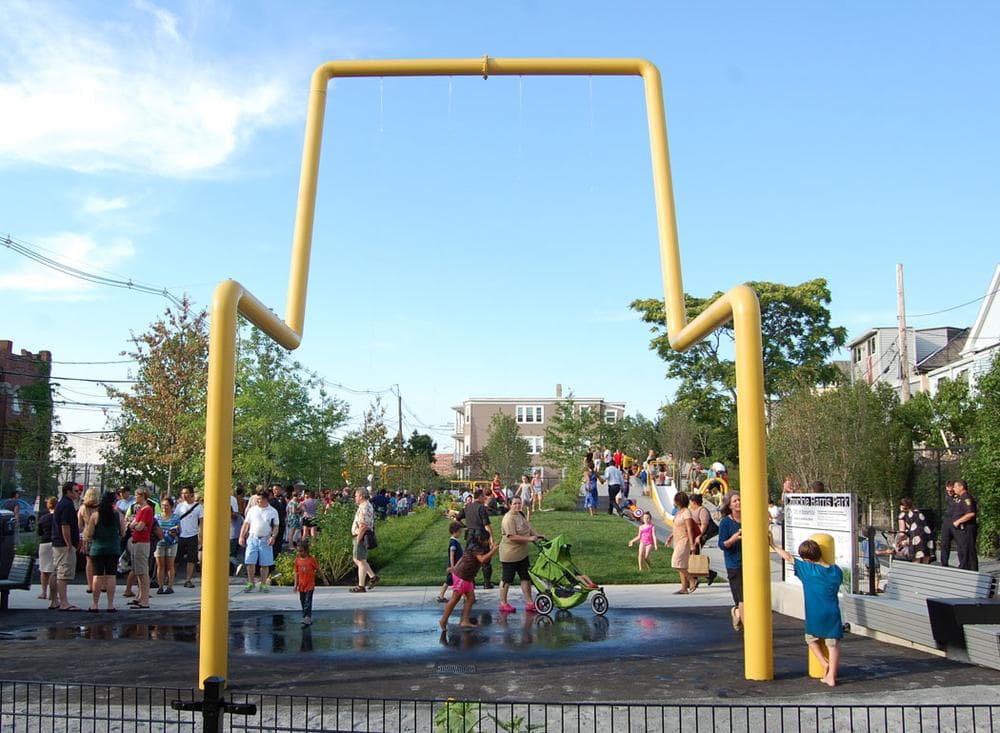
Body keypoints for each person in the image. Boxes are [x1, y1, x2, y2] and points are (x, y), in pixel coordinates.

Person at [772, 539, 843, 687]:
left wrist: (772, 544)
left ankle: (824, 663)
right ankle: (832, 675)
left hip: (814, 612)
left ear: (808, 559)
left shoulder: (808, 569)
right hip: (833, 611)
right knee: (833, 644)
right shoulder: (836, 571)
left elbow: (788, 557)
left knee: (810, 639)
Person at [440, 540, 499, 630]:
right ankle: (443, 620)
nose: (488, 542)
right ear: (482, 539)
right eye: (487, 540)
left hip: (467, 578)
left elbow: (464, 557)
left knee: (471, 599)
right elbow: (482, 559)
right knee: (455, 598)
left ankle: (465, 621)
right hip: (462, 576)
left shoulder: (474, 546)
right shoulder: (476, 548)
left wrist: (491, 549)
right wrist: (493, 551)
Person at [498, 497, 541, 614]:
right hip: (509, 554)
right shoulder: (508, 518)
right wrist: (529, 539)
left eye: (519, 503)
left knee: (526, 577)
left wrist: (538, 535)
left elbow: (529, 528)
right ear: (510, 505)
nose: (517, 505)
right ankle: (503, 603)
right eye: (515, 503)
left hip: (522, 553)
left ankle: (529, 602)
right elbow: (511, 536)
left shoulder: (520, 514)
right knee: (507, 579)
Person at [83, 491, 124, 613]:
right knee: (111, 576)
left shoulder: (95, 515)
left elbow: (89, 534)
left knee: (97, 576)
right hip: (113, 548)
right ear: (113, 502)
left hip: (98, 548)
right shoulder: (118, 515)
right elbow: (122, 532)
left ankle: (95, 604)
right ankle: (110, 605)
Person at [240, 491, 280, 592]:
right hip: (253, 538)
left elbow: (276, 526)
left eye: (260, 499)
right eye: (256, 499)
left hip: (265, 539)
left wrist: (273, 536)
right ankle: (251, 582)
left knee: (265, 563)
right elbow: (246, 524)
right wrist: (241, 536)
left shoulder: (272, 511)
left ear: (266, 499)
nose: (257, 501)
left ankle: (263, 583)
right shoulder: (252, 510)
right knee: (250, 562)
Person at [51, 482, 82, 611]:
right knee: (63, 574)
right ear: (68, 492)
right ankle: (64, 603)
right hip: (64, 544)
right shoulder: (67, 505)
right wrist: (69, 543)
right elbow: (65, 525)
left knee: (56, 572)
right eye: (76, 491)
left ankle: (54, 601)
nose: (78, 494)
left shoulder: (61, 503)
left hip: (57, 543)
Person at [718, 493, 744, 630]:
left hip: (750, 564)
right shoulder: (725, 522)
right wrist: (733, 539)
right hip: (734, 564)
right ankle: (750, 631)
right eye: (735, 501)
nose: (738, 503)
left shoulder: (749, 519)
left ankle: (737, 612)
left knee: (750, 598)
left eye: (740, 500)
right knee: (741, 598)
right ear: (729, 505)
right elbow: (722, 545)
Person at [127, 487, 155, 609]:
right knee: (138, 571)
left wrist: (134, 525)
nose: (135, 497)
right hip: (135, 541)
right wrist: (134, 525)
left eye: (136, 495)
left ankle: (145, 599)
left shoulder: (147, 510)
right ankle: (140, 596)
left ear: (143, 496)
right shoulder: (139, 510)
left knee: (143, 571)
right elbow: (133, 525)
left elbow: (139, 526)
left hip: (142, 542)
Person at [461, 489, 495, 589]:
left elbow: (457, 518)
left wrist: (464, 526)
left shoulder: (467, 507)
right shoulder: (481, 508)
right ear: (479, 496)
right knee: (485, 560)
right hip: (481, 536)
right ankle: (486, 583)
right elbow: (486, 524)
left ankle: (471, 582)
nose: (485, 498)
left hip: (470, 536)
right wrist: (492, 538)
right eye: (483, 496)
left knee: (470, 560)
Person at [666, 491, 698, 594]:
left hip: (684, 540)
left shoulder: (686, 512)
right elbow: (676, 527)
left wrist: (692, 544)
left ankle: (692, 580)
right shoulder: (678, 512)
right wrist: (670, 537)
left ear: (679, 501)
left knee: (676, 562)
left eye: (675, 500)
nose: (673, 502)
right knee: (682, 564)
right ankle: (684, 588)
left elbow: (689, 529)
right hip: (677, 540)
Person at [174, 485, 204, 589]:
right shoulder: (179, 507)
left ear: (191, 494)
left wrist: (201, 536)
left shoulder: (199, 507)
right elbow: (175, 519)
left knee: (191, 559)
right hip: (181, 535)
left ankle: (188, 579)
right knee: (176, 558)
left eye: (186, 493)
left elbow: (202, 522)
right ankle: (170, 577)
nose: (184, 495)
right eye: (182, 493)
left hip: (193, 535)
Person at [350, 488, 379, 593]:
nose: (355, 498)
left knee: (360, 560)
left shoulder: (365, 507)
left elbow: (363, 525)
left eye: (356, 496)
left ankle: (361, 586)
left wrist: (358, 539)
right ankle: (373, 576)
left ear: (361, 496)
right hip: (359, 534)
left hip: (361, 535)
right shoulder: (363, 506)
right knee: (358, 559)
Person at [690, 494, 719, 586]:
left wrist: (699, 536)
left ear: (694, 502)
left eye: (690, 502)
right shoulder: (692, 510)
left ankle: (694, 580)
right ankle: (709, 574)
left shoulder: (703, 510)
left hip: (701, 536)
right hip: (695, 536)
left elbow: (704, 525)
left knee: (693, 555)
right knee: (693, 555)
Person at [897, 498, 935, 563]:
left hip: (915, 537)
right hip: (927, 537)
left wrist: (900, 542)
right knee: (925, 560)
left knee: (916, 562)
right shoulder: (918, 512)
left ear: (901, 506)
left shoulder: (902, 515)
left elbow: (902, 533)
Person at [951, 479, 978, 571]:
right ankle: (965, 568)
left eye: (955, 487)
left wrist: (958, 521)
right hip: (962, 530)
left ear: (961, 487)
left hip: (968, 528)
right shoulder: (960, 498)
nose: (954, 489)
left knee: (969, 550)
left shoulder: (966, 498)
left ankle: (973, 571)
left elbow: (971, 513)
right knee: (963, 550)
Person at [154, 496, 180, 594]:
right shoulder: (157, 516)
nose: (164, 507)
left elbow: (179, 529)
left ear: (171, 506)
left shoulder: (176, 517)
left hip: (171, 543)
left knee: (170, 565)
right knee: (160, 566)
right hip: (159, 543)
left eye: (167, 505)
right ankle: (160, 586)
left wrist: (175, 531)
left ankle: (170, 586)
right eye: (163, 505)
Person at [77, 488, 100, 595]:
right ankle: (102, 585)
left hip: (87, 537)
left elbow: (79, 526)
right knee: (101, 561)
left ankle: (90, 585)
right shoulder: (100, 508)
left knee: (89, 561)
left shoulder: (82, 508)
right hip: (99, 536)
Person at [436, 521, 465, 603]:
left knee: (457, 580)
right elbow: (452, 554)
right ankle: (441, 595)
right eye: (460, 532)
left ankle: (464, 595)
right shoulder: (453, 542)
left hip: (457, 565)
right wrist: (453, 566)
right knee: (449, 581)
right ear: (455, 532)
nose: (461, 534)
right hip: (454, 566)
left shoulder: (455, 541)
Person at [293, 539, 320, 625]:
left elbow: (318, 570)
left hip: (310, 584)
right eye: (298, 551)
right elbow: (296, 573)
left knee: (308, 601)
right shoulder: (297, 560)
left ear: (306, 550)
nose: (300, 553)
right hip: (301, 584)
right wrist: (295, 585)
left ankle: (307, 617)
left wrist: (324, 579)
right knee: (302, 600)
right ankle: (305, 616)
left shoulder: (311, 559)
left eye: (301, 551)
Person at [36, 496, 57, 604]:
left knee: (44, 569)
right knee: (55, 570)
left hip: (44, 543)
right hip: (56, 543)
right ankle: (52, 594)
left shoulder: (43, 518)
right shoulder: (59, 518)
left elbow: (39, 532)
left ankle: (43, 592)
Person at [938, 480, 957, 566]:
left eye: (951, 491)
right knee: (944, 544)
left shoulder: (960, 497)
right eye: (947, 491)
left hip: (956, 522)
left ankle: (963, 565)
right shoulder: (948, 497)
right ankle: (944, 564)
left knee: (960, 545)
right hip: (947, 521)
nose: (949, 493)